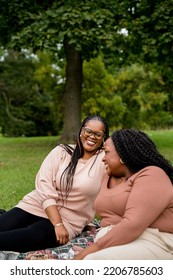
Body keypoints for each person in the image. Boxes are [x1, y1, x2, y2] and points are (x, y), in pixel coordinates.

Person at [0, 115, 109, 253]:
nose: (92, 136)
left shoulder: (104, 160)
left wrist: (59, 225)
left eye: (98, 134)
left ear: (103, 137)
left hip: (69, 220)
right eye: (88, 131)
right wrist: (57, 222)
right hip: (37, 205)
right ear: (81, 130)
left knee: (27, 237)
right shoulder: (62, 151)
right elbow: (44, 185)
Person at [73, 128, 173, 260]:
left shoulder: (152, 175)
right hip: (119, 239)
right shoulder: (108, 177)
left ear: (122, 155)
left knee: (93, 261)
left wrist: (87, 252)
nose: (103, 158)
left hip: (155, 240)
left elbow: (132, 225)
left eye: (107, 152)